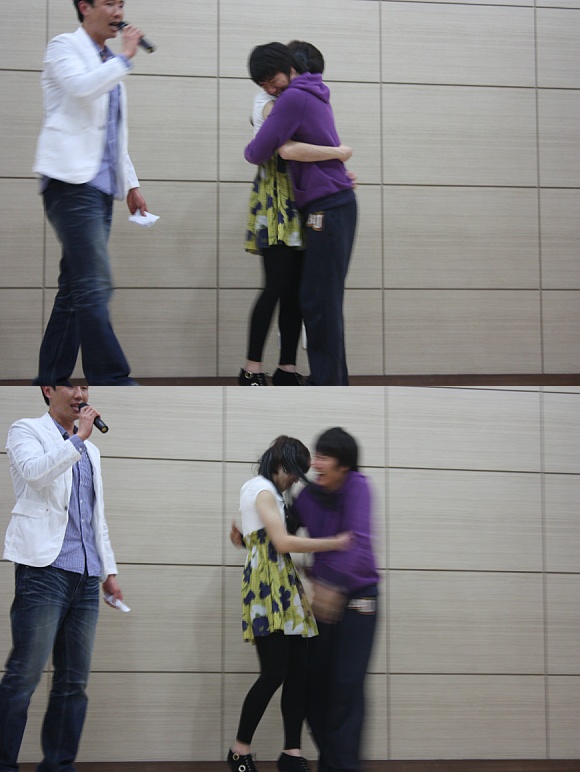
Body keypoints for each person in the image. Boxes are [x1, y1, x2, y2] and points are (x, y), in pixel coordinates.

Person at [0, 385, 124, 771]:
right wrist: (78, 438)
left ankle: (58, 765)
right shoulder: (26, 430)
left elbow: (95, 516)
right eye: (71, 385)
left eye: (85, 386)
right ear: (48, 389)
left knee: (73, 682)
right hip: (44, 572)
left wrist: (108, 570)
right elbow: (36, 475)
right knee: (24, 674)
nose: (80, 393)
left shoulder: (92, 451)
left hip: (85, 576)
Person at [32, 0, 150, 386]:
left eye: (122, 4)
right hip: (69, 183)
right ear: (85, 7)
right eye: (109, 3)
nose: (118, 11)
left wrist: (130, 184)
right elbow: (81, 88)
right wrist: (125, 58)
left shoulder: (108, 62)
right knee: (94, 283)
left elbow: (112, 135)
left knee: (74, 288)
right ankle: (111, 378)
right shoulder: (63, 46)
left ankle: (49, 380)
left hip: (100, 189)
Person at [228, 436, 352, 772]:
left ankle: (291, 753)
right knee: (273, 673)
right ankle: (239, 751)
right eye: (295, 472)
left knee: (298, 672)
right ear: (282, 464)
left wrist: (246, 541)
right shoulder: (262, 490)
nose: (296, 480)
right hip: (268, 587)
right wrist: (334, 543)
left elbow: (264, 542)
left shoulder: (268, 491)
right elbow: (281, 543)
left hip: (280, 583)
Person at [245, 43, 358, 386]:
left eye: (273, 79)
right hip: (325, 203)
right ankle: (327, 380)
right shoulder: (310, 93)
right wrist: (337, 153)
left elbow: (258, 151)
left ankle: (327, 383)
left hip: (326, 204)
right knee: (315, 297)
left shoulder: (293, 97)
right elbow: (289, 147)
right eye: (263, 84)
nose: (270, 88)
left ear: (290, 68)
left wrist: (335, 154)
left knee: (318, 299)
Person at [289, 427, 379, 772]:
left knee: (345, 688)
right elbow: (283, 531)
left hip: (359, 602)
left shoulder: (358, 487)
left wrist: (332, 585)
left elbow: (357, 544)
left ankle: (342, 766)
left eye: (324, 458)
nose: (316, 464)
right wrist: (250, 537)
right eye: (316, 455)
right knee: (313, 690)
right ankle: (336, 763)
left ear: (344, 466)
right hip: (322, 604)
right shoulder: (308, 495)